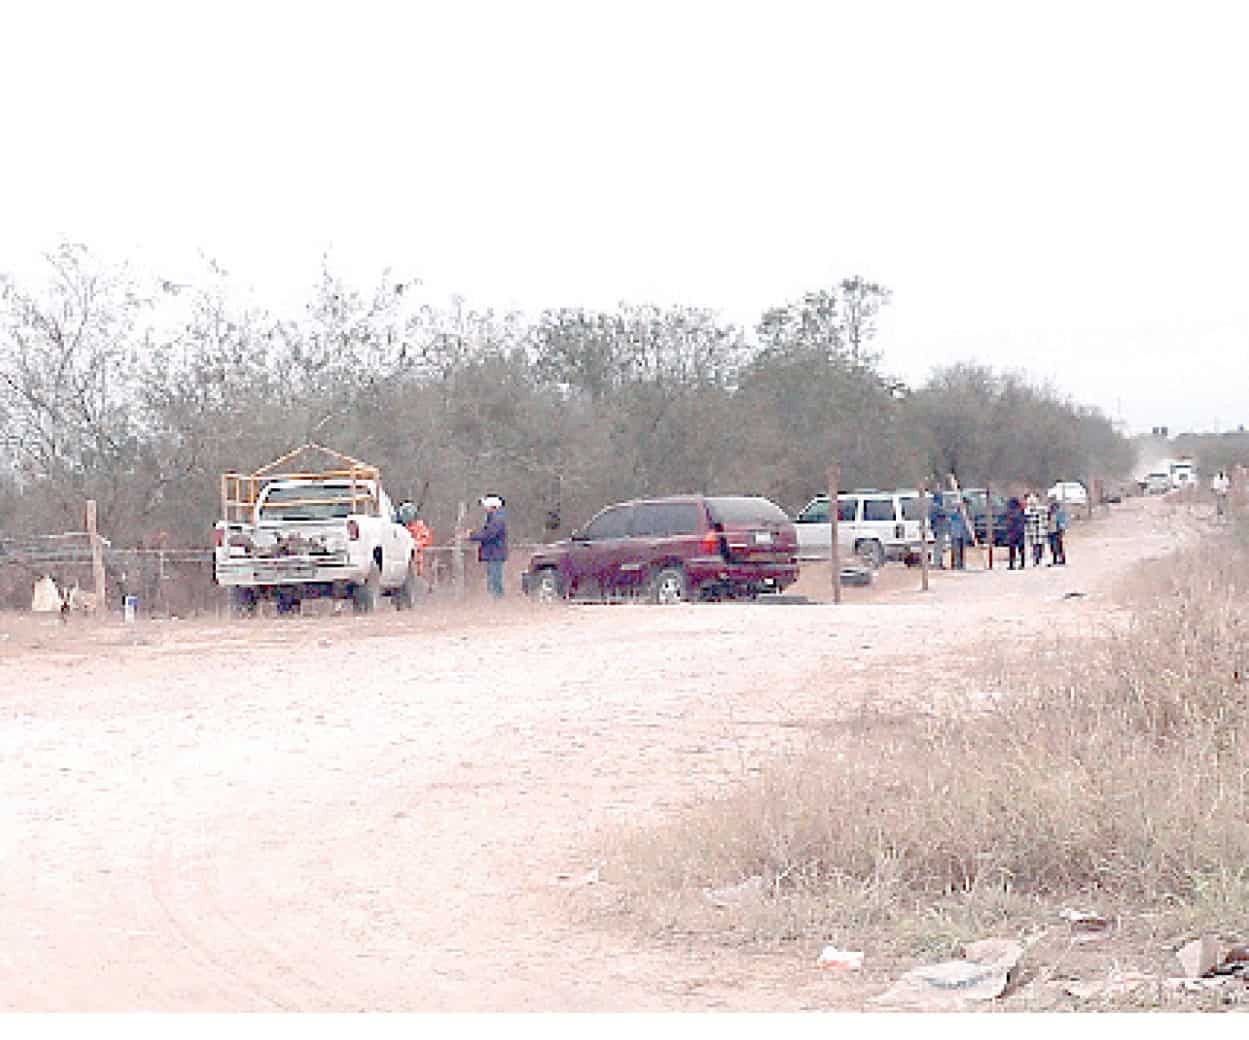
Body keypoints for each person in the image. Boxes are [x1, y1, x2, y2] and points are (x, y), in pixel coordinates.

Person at [464, 494, 508, 598]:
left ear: (493, 506)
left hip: (495, 555)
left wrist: (472, 536)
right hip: (493, 554)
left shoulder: (497, 519)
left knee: (495, 582)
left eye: (486, 506)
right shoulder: (494, 518)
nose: (484, 508)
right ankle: (495, 602)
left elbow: (488, 534)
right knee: (492, 581)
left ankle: (498, 603)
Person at [1024, 492, 1047, 567]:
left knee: (1038, 545)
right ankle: (1036, 559)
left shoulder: (1042, 509)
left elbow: (1045, 519)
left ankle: (1038, 558)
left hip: (1039, 530)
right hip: (1033, 530)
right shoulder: (1028, 510)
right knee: (1035, 545)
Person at [947, 495, 969, 570]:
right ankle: (955, 564)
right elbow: (950, 519)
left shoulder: (966, 513)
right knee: (955, 549)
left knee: (962, 549)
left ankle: (961, 564)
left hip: (962, 533)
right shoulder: (955, 512)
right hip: (955, 533)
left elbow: (967, 523)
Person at [928, 491, 949, 569]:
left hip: (939, 529)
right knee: (938, 547)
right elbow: (946, 513)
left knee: (940, 547)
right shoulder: (936, 507)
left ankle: (939, 562)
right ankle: (937, 563)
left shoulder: (934, 506)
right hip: (939, 529)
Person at [1005, 496, 1026, 570]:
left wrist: (1008, 530)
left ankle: (1012, 565)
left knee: (1012, 549)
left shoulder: (1010, 511)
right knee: (1021, 548)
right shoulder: (1021, 510)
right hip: (1020, 531)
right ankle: (1022, 564)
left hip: (1013, 532)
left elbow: (1009, 522)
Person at [1047, 498, 1068, 566]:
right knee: (1052, 547)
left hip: (1057, 532)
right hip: (1051, 532)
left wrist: (1061, 531)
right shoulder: (1049, 513)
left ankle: (1062, 559)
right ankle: (1055, 559)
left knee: (1058, 546)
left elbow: (1062, 523)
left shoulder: (1060, 513)